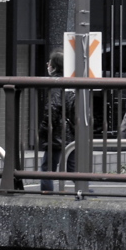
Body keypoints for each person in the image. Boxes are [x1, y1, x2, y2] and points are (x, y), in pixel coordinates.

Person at [39, 50, 76, 192]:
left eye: (50, 62)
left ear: (54, 67)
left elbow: (52, 108)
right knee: (73, 168)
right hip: (71, 131)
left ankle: (46, 197)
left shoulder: (55, 84)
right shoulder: (71, 82)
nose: (47, 65)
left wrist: (43, 129)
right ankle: (85, 192)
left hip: (56, 133)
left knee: (47, 169)